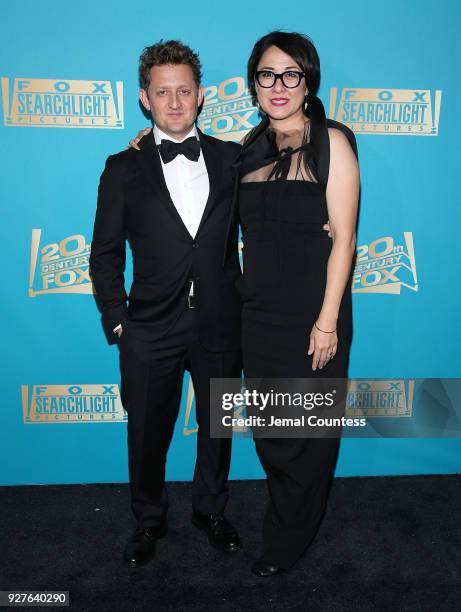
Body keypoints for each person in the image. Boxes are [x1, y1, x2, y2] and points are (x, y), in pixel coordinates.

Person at [89, 40, 243, 569]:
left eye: (184, 90)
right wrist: (117, 323)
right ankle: (148, 520)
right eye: (162, 92)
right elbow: (104, 253)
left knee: (218, 427)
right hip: (150, 326)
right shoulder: (121, 168)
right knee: (147, 432)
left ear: (200, 96)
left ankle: (211, 511)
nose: (174, 102)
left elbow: (275, 205)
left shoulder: (232, 157)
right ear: (144, 99)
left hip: (221, 321)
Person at [232, 31, 359, 577]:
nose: (278, 85)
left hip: (314, 313)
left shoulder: (333, 142)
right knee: (273, 432)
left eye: (290, 74)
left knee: (309, 436)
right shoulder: (246, 146)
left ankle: (288, 539)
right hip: (257, 312)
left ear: (308, 81)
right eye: (267, 74)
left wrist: (327, 320)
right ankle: (285, 511)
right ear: (253, 83)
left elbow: (346, 239)